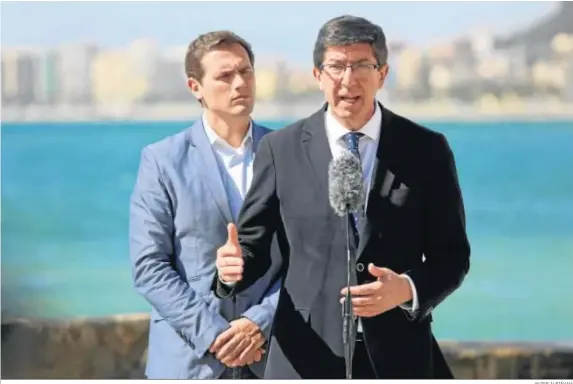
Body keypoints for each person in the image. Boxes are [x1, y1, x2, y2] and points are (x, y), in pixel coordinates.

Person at [212, 15, 471, 379]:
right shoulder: (280, 149)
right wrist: (230, 270)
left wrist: (405, 289)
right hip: (305, 357)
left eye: (362, 65)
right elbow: (253, 247)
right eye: (336, 66)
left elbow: (452, 256)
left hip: (397, 358)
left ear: (382, 74)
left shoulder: (426, 149)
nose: (348, 80)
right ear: (318, 76)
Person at [129, 30, 281, 380]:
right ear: (195, 87)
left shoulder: (287, 153)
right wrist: (216, 335)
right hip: (189, 364)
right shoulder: (162, 160)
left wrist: (259, 322)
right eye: (225, 76)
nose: (239, 83)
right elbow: (149, 266)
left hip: (272, 356)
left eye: (246, 72)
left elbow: (310, 257)